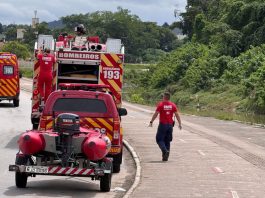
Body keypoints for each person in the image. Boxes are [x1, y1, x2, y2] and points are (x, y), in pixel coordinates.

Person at [149, 92, 182, 161]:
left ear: (164, 97)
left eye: (163, 96)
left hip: (163, 125)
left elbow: (156, 114)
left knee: (159, 139)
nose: (162, 98)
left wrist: (151, 121)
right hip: (170, 126)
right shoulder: (173, 105)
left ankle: (164, 151)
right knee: (167, 141)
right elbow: (177, 115)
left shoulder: (161, 105)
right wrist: (180, 124)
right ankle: (165, 157)